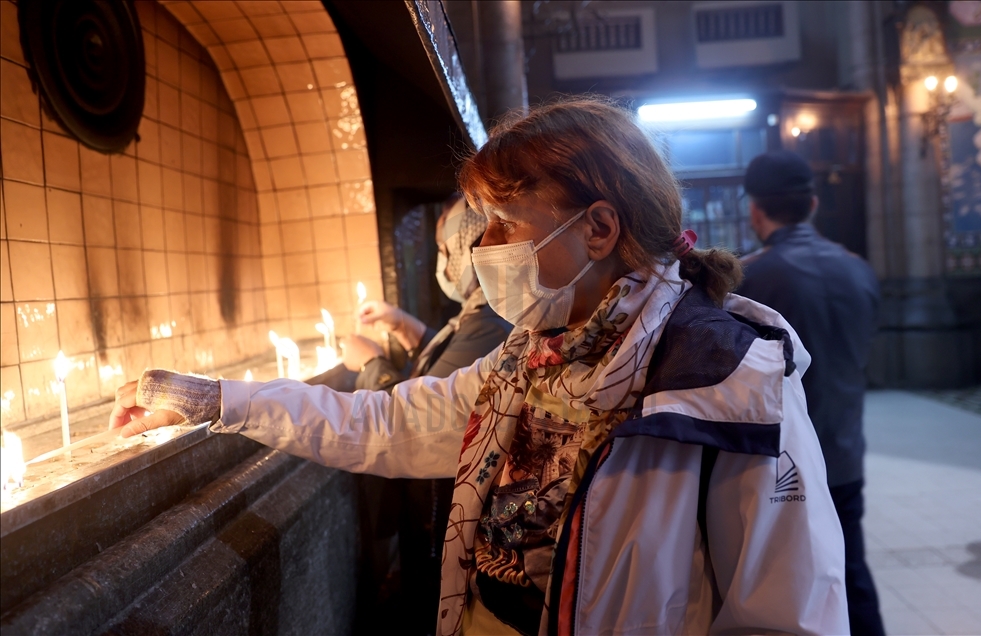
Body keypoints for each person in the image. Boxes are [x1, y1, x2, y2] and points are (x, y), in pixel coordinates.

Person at [111, 97, 849, 636]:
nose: (482, 248)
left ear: (597, 227)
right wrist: (216, 401)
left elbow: (786, 613)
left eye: (504, 222)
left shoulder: (721, 380)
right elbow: (392, 422)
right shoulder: (532, 354)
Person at [338, 195, 511, 636]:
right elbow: (452, 367)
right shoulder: (480, 314)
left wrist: (371, 365)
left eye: (446, 249)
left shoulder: (493, 319)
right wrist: (402, 324)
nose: (445, 263)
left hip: (442, 514)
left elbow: (418, 415)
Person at [737, 149, 884, 635]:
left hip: (784, 466)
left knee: (789, 587)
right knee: (851, 571)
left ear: (756, 210)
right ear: (814, 204)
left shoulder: (751, 278)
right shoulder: (858, 269)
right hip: (844, 451)